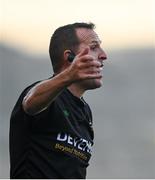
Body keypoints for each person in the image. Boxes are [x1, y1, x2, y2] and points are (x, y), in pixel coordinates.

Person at [9, 22, 107, 179]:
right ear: (69, 57)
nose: (103, 55)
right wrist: (69, 75)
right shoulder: (43, 94)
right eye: (94, 47)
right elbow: (29, 104)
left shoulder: (84, 112)